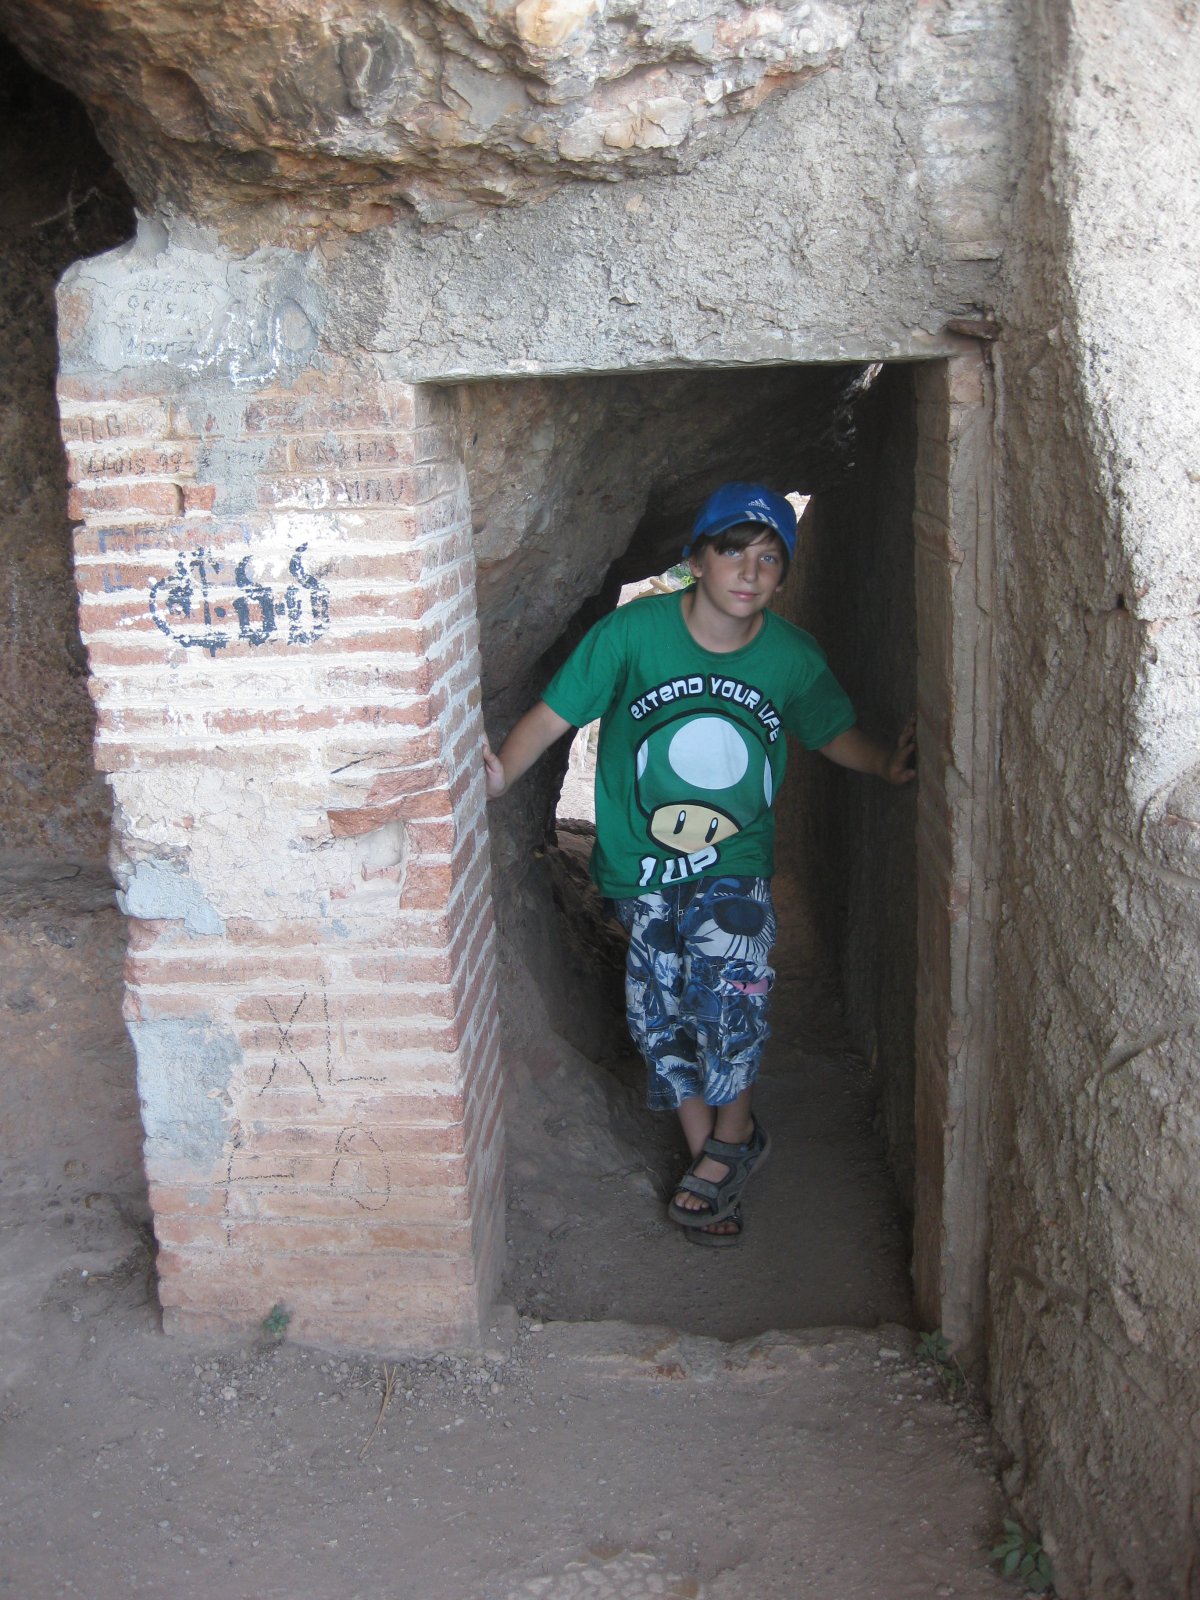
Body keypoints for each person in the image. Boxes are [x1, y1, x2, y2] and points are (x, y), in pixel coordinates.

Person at [482, 483, 915, 1245]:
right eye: (732, 550)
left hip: (733, 864)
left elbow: (829, 731)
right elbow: (554, 715)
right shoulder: (634, 634)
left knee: (729, 1000)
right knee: (660, 1015)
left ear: (783, 575)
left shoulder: (791, 657)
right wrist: (499, 778)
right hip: (640, 868)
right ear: (696, 559)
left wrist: (884, 764)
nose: (750, 571)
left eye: (770, 558)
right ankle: (709, 1155)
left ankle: (733, 1133)